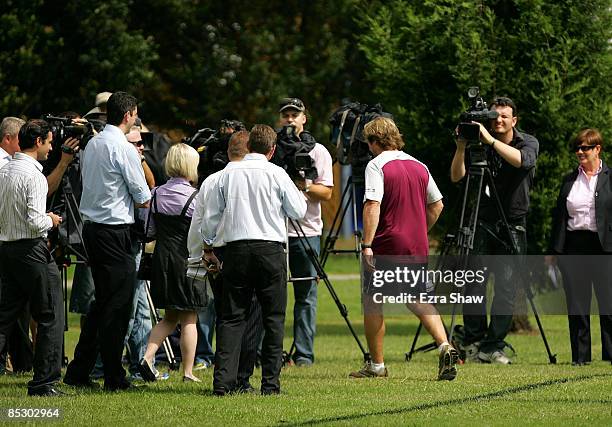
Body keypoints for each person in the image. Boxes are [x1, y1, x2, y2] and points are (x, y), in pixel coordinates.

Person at [347, 117, 458, 381]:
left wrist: (367, 244)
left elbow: (372, 205)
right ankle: (445, 345)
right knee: (418, 298)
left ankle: (376, 365)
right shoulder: (419, 165)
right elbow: (437, 205)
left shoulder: (376, 165)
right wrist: (419, 231)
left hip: (386, 243)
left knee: (373, 301)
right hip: (416, 245)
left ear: (374, 142)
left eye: (369, 143)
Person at [202, 124, 307, 395]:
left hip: (236, 248)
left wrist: (208, 247)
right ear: (272, 150)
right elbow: (298, 210)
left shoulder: (228, 173)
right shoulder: (277, 173)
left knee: (231, 317)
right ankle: (270, 384)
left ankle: (222, 384)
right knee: (273, 318)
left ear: (249, 146)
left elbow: (212, 216)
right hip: (270, 250)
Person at [63, 91, 151, 391]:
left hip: (93, 229)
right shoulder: (122, 148)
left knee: (102, 304)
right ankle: (114, 375)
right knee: (118, 305)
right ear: (129, 115)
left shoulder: (92, 144)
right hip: (115, 231)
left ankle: (79, 369)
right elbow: (142, 196)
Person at [450, 96, 539, 364]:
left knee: (506, 287)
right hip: (482, 221)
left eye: (504, 116)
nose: (498, 120)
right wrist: (461, 148)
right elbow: (457, 177)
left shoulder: (527, 141)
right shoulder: (480, 143)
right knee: (474, 282)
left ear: (514, 120)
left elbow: (523, 161)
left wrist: (490, 141)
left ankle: (493, 345)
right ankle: (474, 340)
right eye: (494, 116)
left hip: (512, 223)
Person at [187, 130, 264, 392]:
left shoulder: (210, 181)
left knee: (226, 319)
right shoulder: (256, 177)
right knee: (252, 317)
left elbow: (198, 223)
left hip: (215, 253)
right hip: (244, 250)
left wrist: (196, 256)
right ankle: (242, 377)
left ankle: (224, 378)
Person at [0, 119, 64, 396]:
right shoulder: (34, 176)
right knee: (49, 314)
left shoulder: (4, 171)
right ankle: (43, 382)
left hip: (7, 249)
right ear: (38, 142)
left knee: (4, 316)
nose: (50, 148)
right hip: (32, 249)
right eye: (49, 142)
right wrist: (52, 219)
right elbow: (37, 222)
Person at [138, 143, 206, 383]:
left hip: (161, 259)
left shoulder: (155, 193)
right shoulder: (195, 197)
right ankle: (188, 372)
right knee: (189, 316)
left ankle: (147, 357)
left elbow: (150, 230)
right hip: (187, 260)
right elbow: (203, 232)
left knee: (168, 317)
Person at [277, 97, 333, 366]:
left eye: (294, 114)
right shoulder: (271, 150)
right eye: (285, 115)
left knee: (306, 297)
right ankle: (269, 353)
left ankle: (304, 355)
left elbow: (327, 192)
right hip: (273, 231)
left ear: (304, 118)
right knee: (270, 296)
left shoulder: (318, 151)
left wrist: (303, 185)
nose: (290, 119)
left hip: (307, 231)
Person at [550, 128, 612, 366]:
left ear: (598, 149)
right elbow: (559, 217)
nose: (579, 152)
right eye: (577, 148)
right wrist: (554, 251)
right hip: (575, 246)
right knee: (577, 304)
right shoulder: (569, 180)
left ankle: (610, 354)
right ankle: (580, 357)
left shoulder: (609, 177)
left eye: (585, 147)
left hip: (605, 247)